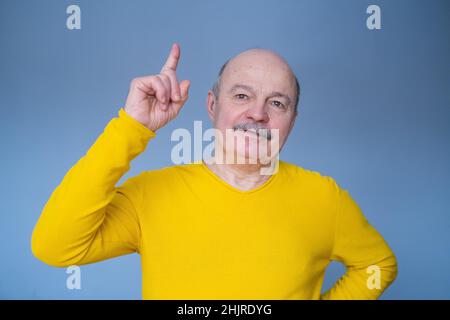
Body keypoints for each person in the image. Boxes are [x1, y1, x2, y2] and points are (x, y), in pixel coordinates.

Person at [31, 43, 397, 299]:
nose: (257, 113)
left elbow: (378, 265)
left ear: (292, 121)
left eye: (277, 102)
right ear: (212, 105)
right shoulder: (150, 195)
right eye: (241, 96)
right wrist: (131, 126)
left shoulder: (324, 198)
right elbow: (55, 247)